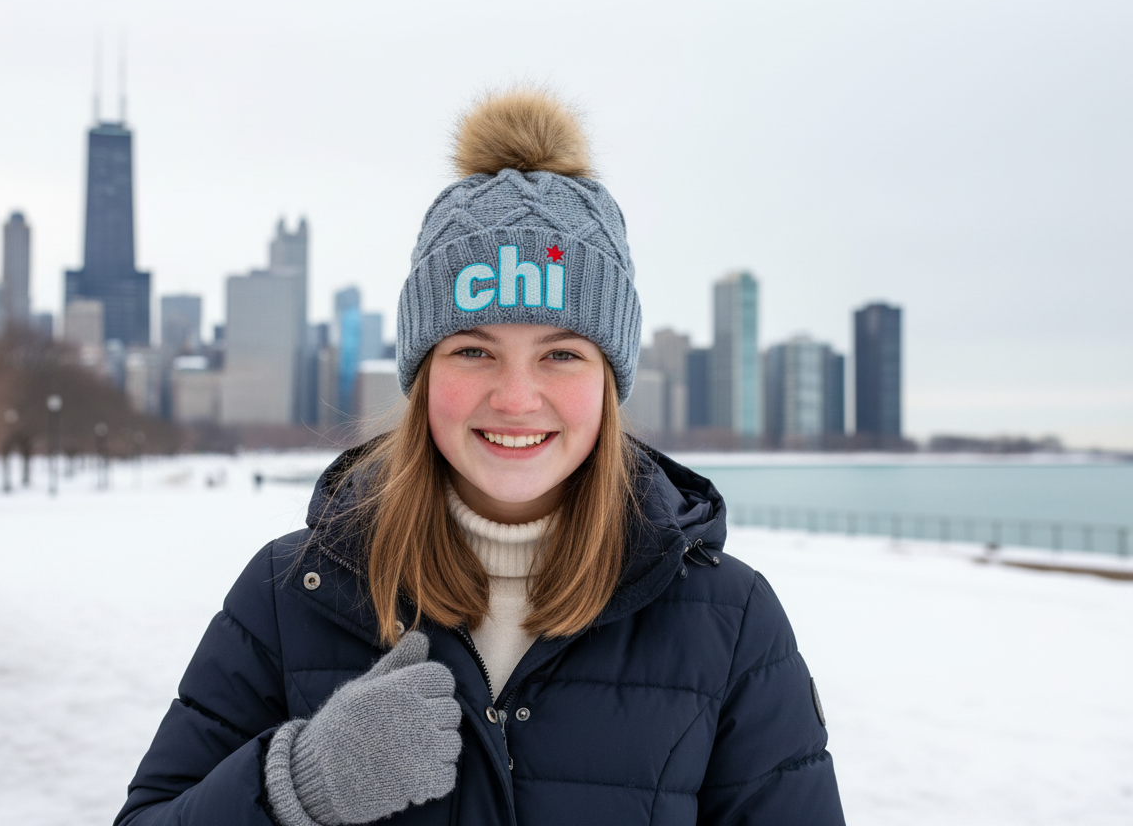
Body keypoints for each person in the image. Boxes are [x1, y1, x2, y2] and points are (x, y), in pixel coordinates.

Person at [115, 89, 844, 826]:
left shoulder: (730, 622)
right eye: (473, 350)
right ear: (424, 376)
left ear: (608, 382)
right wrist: (294, 789)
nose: (517, 398)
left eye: (560, 353)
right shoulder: (290, 593)